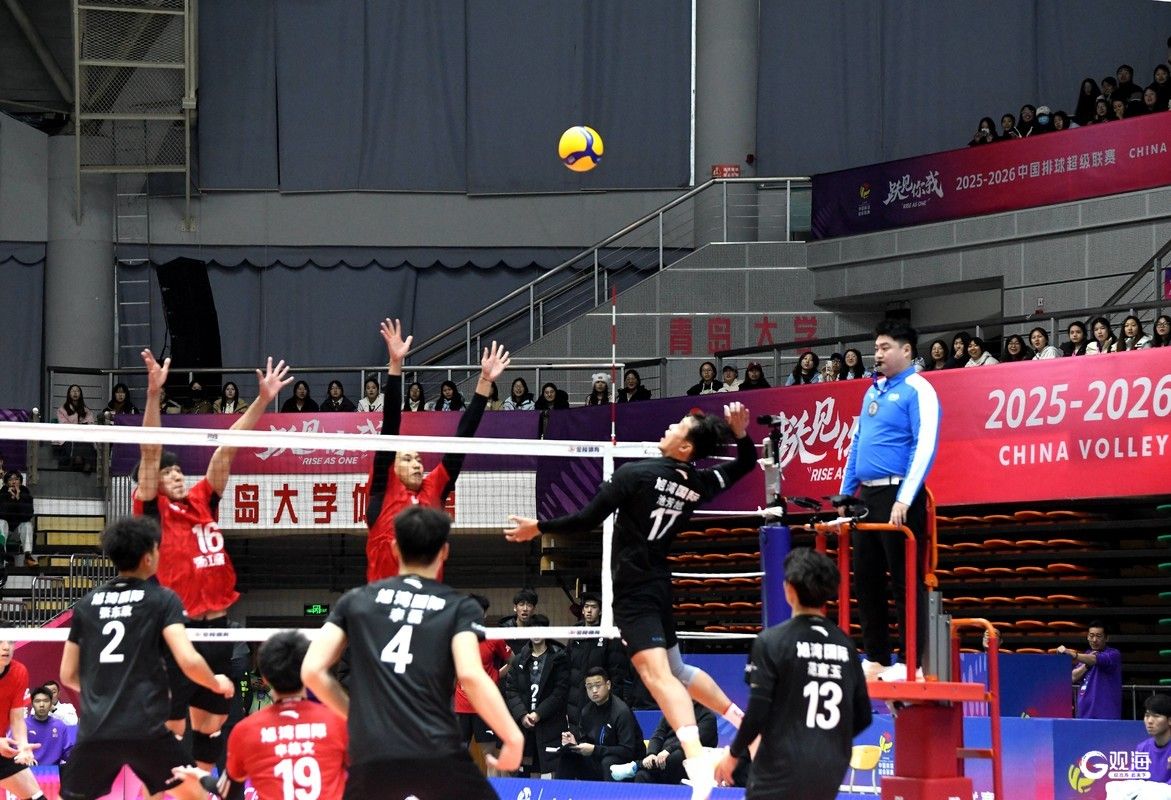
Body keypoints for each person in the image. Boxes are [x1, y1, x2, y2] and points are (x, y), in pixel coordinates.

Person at [505, 400, 757, 799]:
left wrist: (540, 526)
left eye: (678, 426)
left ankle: (697, 761)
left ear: (685, 446)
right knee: (677, 670)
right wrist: (741, 435)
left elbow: (586, 519)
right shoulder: (698, 482)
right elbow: (746, 465)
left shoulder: (635, 475)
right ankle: (740, 719)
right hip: (658, 585)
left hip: (633, 593)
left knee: (659, 678)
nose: (669, 428)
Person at [134, 348, 291, 772]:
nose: (175, 475)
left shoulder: (203, 498)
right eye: (167, 473)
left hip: (218, 628)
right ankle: (160, 789)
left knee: (211, 723)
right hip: (178, 628)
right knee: (171, 726)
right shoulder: (151, 511)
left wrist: (262, 400)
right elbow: (150, 451)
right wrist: (154, 394)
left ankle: (201, 789)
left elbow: (227, 449)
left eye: (177, 471)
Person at [301, 506, 524, 799]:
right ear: (444, 551)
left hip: (373, 752)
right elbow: (470, 675)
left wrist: (354, 716)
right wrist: (512, 735)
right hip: (437, 750)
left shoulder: (355, 600)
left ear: (394, 548)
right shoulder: (459, 606)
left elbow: (311, 671)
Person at [58, 516, 234, 800]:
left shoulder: (87, 604)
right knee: (195, 795)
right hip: (147, 729)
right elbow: (188, 660)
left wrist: (103, 693)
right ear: (148, 556)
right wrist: (216, 683)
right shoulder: (162, 599)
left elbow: (67, 674)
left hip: (97, 729)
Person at [715, 549, 872, 798]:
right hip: (829, 768)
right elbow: (863, 716)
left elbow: (757, 711)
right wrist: (827, 743)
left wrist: (733, 754)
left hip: (780, 766)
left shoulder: (771, 641)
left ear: (789, 589)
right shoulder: (846, 645)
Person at [363, 319, 509, 583]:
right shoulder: (383, 488)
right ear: (393, 466)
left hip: (427, 600)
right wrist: (395, 364)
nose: (417, 464)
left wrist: (484, 382)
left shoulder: (434, 487)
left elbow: (462, 439)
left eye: (419, 459)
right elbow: (391, 423)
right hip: (382, 601)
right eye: (408, 459)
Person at [838, 319, 940, 681]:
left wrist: (905, 498)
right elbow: (857, 444)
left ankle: (913, 664)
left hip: (899, 497)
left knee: (905, 582)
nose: (877, 354)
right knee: (866, 580)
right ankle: (878, 657)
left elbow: (924, 445)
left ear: (906, 350)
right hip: (867, 496)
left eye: (885, 348)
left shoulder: (919, 389)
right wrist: (846, 492)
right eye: (876, 348)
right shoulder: (872, 392)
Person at [172, 630, 349, 800]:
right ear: (306, 671)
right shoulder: (339, 721)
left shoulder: (246, 730)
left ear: (263, 677)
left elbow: (227, 792)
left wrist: (201, 777)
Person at [503, 615, 570, 778]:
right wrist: (522, 715)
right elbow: (511, 690)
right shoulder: (519, 659)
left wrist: (539, 713)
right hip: (524, 724)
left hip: (550, 723)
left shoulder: (559, 657)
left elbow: (560, 692)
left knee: (550, 767)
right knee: (524, 769)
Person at [455, 595, 512, 775]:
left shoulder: (494, 638)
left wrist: (495, 677)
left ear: (484, 614)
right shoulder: (456, 637)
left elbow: (512, 661)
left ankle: (492, 789)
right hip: (461, 706)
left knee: (490, 756)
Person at [556, 667, 644, 782]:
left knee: (609, 762)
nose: (594, 690)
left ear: (608, 685)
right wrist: (575, 744)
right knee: (568, 757)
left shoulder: (622, 712)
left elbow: (627, 751)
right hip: (598, 759)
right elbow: (586, 742)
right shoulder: (586, 711)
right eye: (589, 687)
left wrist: (595, 750)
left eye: (598, 685)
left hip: (625, 765)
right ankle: (560, 791)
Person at [611, 701, 717, 784]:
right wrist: (651, 753)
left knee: (677, 755)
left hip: (689, 763)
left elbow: (693, 740)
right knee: (642, 775)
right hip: (662, 762)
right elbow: (658, 736)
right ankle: (639, 767)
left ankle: (637, 765)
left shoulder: (707, 716)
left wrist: (668, 750)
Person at [565, 592, 629, 727]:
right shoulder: (574, 634)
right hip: (574, 704)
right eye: (586, 607)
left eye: (593, 607)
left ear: (600, 612)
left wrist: (613, 705)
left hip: (599, 702)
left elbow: (616, 674)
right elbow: (567, 670)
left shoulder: (609, 635)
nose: (589, 610)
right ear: (582, 610)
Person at [0, 642, 45, 800]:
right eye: (0, 641)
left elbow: (17, 718)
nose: (6, 647)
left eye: (11, 641)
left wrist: (23, 745)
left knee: (36, 798)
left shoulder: (18, 672)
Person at [1058, 620, 1121, 719]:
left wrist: (1073, 654)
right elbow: (1072, 677)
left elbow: (1095, 659)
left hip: (1105, 715)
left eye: (1098, 636)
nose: (1094, 640)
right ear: (1087, 637)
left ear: (1106, 638)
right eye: (1091, 636)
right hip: (1084, 714)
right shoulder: (1086, 655)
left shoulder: (1113, 654)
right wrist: (1086, 666)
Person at [23, 686, 71, 766]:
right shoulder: (22, 725)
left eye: (46, 701)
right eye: (37, 701)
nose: (42, 705)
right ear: (32, 704)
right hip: (27, 770)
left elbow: (68, 754)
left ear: (51, 704)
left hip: (52, 771)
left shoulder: (60, 726)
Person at [56, 385, 97, 473]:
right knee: (73, 444)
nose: (75, 393)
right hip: (68, 437)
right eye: (73, 391)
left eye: (77, 391)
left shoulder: (86, 410)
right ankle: (78, 460)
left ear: (80, 394)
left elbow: (90, 423)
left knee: (87, 444)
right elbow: (64, 425)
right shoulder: (61, 410)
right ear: (69, 394)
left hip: (83, 437)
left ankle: (85, 463)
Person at [0, 472, 35, 568]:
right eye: (10, 479)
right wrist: (11, 498)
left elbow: (28, 515)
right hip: (5, 531)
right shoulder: (2, 495)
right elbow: (2, 514)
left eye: (16, 479)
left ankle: (28, 556)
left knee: (27, 524)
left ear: (20, 481)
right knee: (1, 522)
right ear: (6, 483)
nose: (14, 482)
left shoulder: (26, 495)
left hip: (18, 533)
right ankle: (1, 555)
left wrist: (19, 497)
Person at [1135, 694, 1171, 785]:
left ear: (1170, 720)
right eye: (1147, 716)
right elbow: (1133, 779)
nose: (1150, 721)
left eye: (1156, 716)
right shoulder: (1142, 748)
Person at [498, 588, 539, 654]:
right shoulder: (505, 629)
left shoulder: (538, 629)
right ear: (515, 607)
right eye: (521, 604)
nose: (525, 609)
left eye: (529, 605)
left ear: (534, 609)